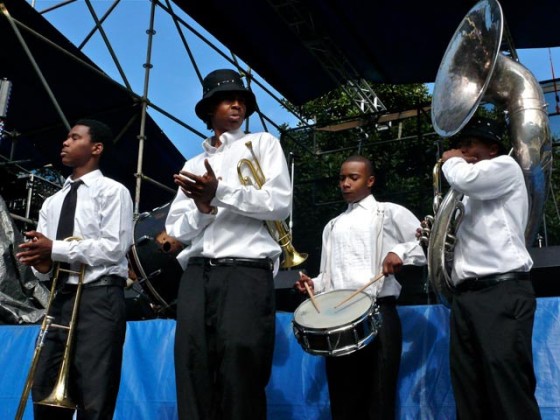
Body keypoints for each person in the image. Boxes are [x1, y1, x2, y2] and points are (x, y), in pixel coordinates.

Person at [165, 68, 292, 420]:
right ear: (209, 109)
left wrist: (219, 192)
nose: (236, 104)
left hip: (246, 271)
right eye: (226, 98)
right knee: (192, 366)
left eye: (241, 99)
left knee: (241, 366)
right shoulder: (192, 164)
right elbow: (176, 228)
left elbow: (279, 203)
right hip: (196, 272)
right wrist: (204, 208)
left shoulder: (264, 143)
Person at [16, 119, 133, 419]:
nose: (65, 142)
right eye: (66, 138)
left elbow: (113, 249)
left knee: (95, 394)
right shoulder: (52, 202)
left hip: (100, 297)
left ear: (96, 148)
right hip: (61, 299)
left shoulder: (113, 191)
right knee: (44, 387)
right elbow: (45, 268)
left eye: (74, 137)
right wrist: (40, 261)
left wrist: (53, 248)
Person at [295, 155, 426, 420]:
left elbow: (422, 242)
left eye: (353, 178)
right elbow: (329, 276)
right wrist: (314, 284)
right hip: (339, 320)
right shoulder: (332, 226)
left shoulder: (388, 212)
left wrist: (397, 251)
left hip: (378, 312)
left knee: (379, 397)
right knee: (343, 400)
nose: (345, 183)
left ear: (370, 180)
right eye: (342, 178)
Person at [439, 117, 541, 419]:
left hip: (501, 291)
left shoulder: (506, 167)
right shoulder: (467, 197)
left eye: (469, 145)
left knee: (508, 389)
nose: (461, 151)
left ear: (492, 148)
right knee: (469, 392)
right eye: (459, 146)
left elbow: (466, 178)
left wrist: (451, 161)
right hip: (467, 297)